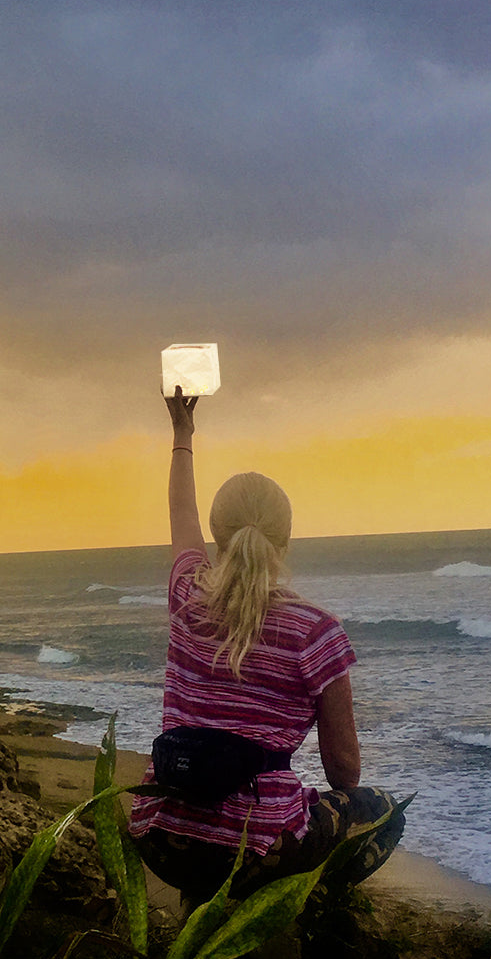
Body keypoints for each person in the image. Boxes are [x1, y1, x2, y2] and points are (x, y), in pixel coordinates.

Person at [129, 387, 406, 905]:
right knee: (383, 809)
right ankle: (306, 911)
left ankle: (200, 904)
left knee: (210, 825)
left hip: (163, 837)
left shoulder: (187, 595)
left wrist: (182, 438)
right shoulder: (315, 632)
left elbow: (179, 515)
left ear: (216, 537)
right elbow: (343, 772)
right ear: (286, 540)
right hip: (256, 854)